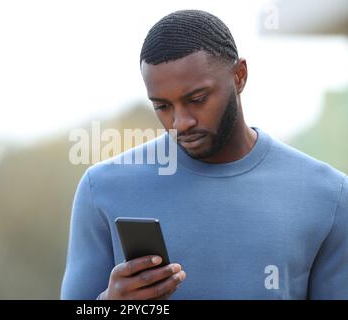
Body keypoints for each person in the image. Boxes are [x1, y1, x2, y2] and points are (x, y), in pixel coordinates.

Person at [60, 10, 348, 300]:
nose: (180, 122)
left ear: (240, 76)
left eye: (197, 99)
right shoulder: (102, 189)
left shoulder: (329, 196)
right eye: (162, 106)